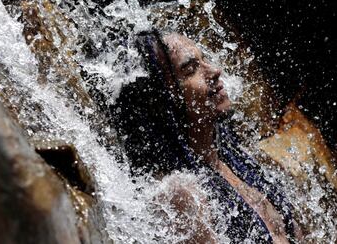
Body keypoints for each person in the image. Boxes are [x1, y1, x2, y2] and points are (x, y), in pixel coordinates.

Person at [111, 30, 301, 243]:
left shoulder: (234, 160)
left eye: (205, 59)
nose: (215, 71)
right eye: (191, 69)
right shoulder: (179, 194)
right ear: (161, 100)